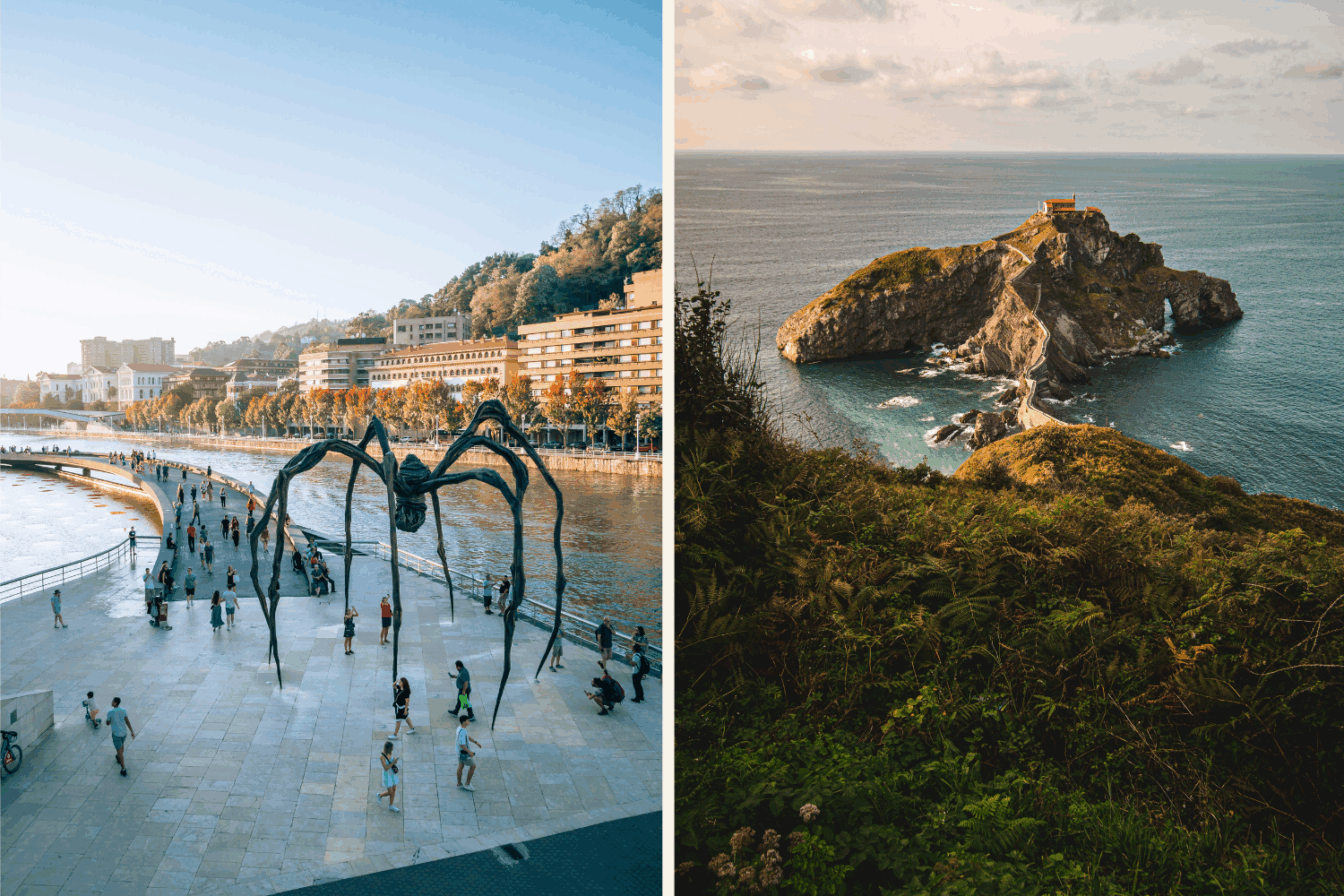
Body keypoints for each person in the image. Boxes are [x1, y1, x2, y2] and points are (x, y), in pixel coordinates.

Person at [105, 697, 134, 776]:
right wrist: (131, 731)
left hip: (116, 734)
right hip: (124, 733)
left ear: (115, 703)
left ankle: (123, 768)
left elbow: (107, 723)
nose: (111, 702)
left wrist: (110, 721)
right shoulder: (123, 710)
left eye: (112, 701)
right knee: (121, 746)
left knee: (119, 750)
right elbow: (127, 721)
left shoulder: (110, 712)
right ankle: (119, 756)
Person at [456, 715, 482, 792]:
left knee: (461, 766)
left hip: (459, 752)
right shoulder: (462, 731)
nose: (469, 721)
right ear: (464, 722)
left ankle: (459, 784)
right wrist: (470, 752)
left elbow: (467, 737)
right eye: (467, 720)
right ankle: (467, 784)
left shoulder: (460, 728)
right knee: (473, 766)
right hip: (464, 753)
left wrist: (475, 742)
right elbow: (462, 744)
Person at [376, 741, 400, 812]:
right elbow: (385, 768)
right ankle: (380, 795)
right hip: (387, 775)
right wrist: (393, 763)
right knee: (390, 792)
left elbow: (391, 759)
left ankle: (391, 805)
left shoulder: (390, 752)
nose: (392, 749)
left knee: (394, 790)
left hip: (392, 773)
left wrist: (394, 760)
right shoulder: (382, 756)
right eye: (391, 748)